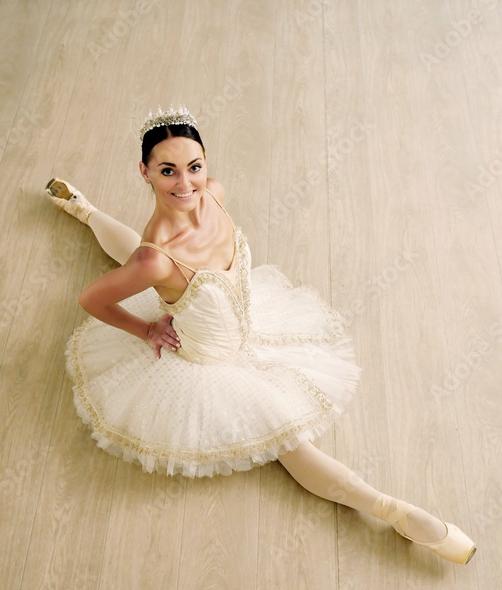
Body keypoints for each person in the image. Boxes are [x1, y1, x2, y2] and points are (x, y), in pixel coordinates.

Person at [46, 105, 475, 564]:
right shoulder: (156, 259)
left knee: (138, 257)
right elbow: (92, 299)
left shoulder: (213, 195)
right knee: (290, 444)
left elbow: (182, 216)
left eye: (194, 167)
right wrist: (146, 327)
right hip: (205, 363)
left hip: (249, 327)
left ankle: (85, 210)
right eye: (167, 171)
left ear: (207, 163)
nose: (185, 184)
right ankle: (393, 511)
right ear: (144, 172)